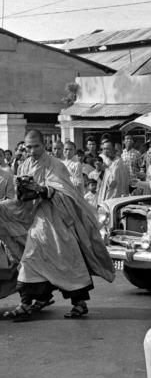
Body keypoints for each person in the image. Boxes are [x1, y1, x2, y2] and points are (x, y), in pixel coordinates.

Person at [0, 130, 115, 320]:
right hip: (36, 218)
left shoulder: (55, 165)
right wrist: (22, 193)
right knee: (31, 258)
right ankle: (27, 302)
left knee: (66, 259)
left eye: (36, 146)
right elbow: (20, 198)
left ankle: (78, 303)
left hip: (56, 218)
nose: (32, 150)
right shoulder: (25, 165)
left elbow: (67, 193)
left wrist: (43, 190)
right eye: (28, 147)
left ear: (43, 145)